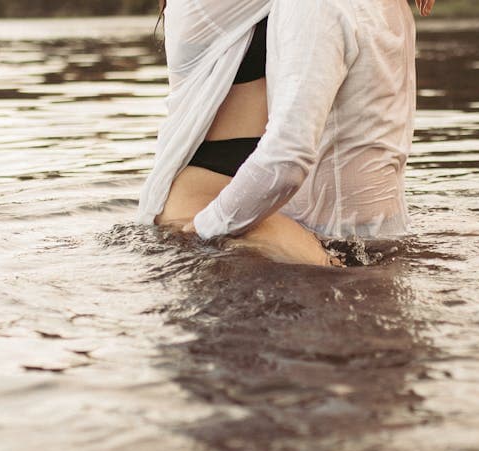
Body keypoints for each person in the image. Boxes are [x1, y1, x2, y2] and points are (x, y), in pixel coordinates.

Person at [137, 0, 435, 266]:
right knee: (337, 277)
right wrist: (202, 226)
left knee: (353, 288)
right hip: (201, 202)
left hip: (253, 197)